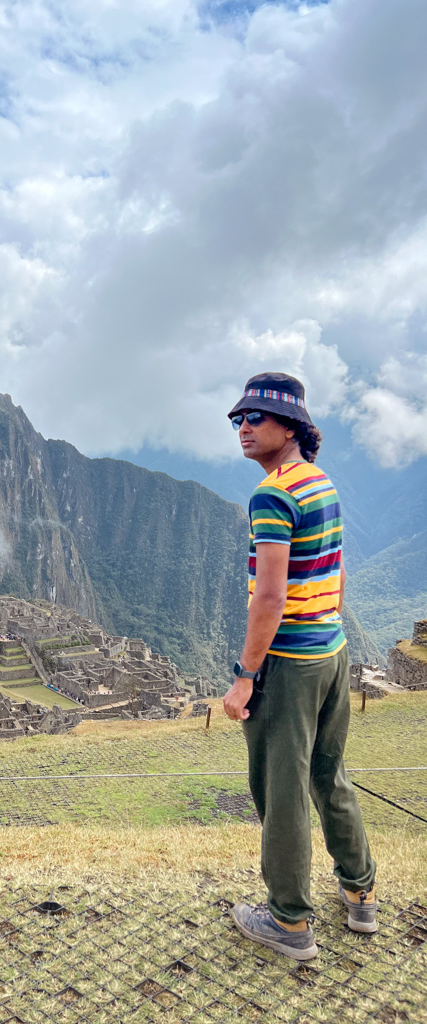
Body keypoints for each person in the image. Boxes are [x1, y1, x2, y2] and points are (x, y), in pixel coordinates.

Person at [223, 372, 377, 961]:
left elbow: (268, 595)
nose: (243, 428)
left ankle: (289, 921)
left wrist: (245, 675)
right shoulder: (320, 483)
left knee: (281, 788)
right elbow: (336, 573)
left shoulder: (273, 494)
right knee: (330, 774)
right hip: (331, 653)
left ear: (289, 427)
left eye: (255, 418)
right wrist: (328, 626)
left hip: (288, 664)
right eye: (238, 419)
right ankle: (359, 893)